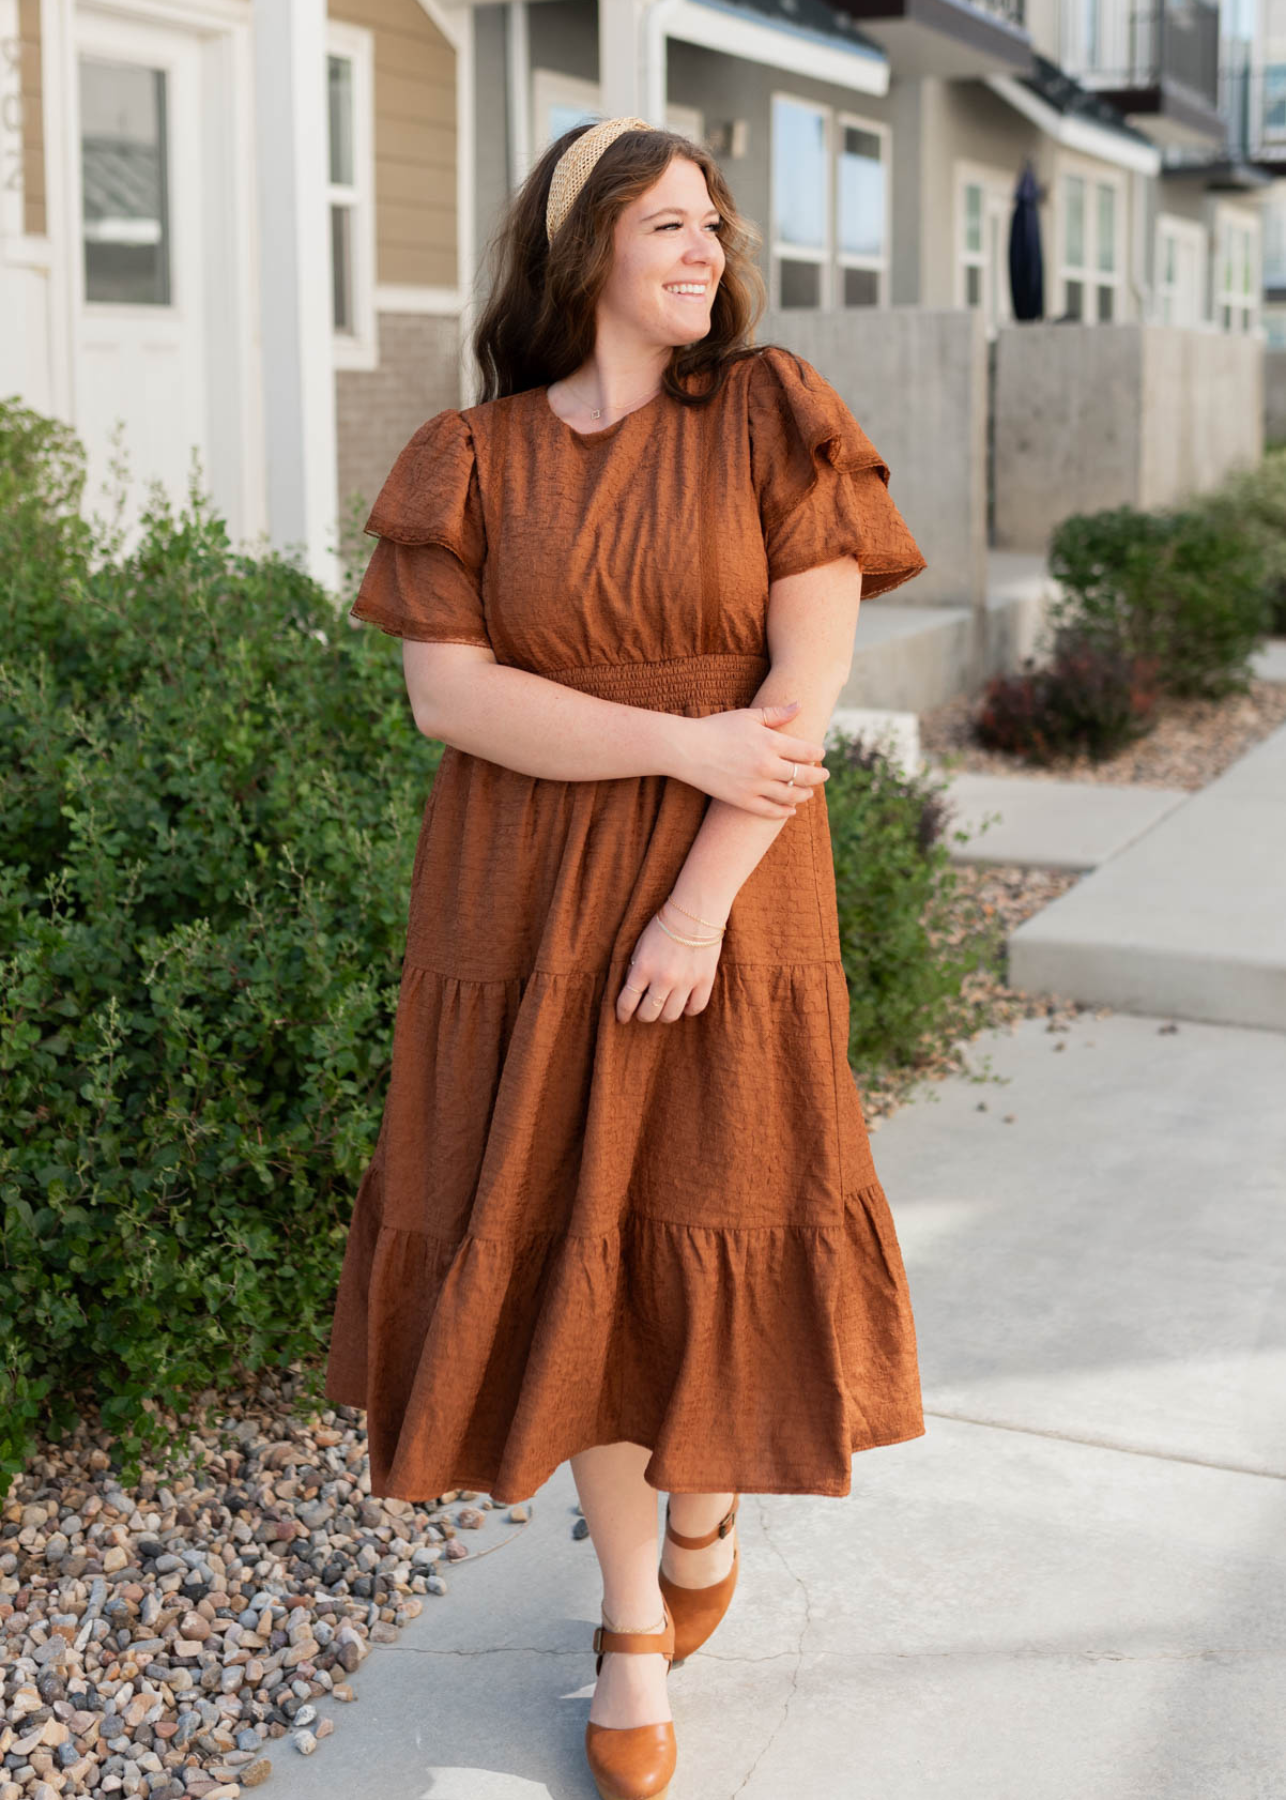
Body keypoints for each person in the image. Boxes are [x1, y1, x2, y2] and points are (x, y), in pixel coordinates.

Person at [324, 114, 928, 1800]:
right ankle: (626, 1625)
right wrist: (673, 749)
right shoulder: (477, 452)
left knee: (706, 1195)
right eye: (667, 223)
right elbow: (451, 698)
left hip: (730, 890)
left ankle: (709, 1494)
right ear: (582, 242)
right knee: (569, 1220)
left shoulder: (767, 416)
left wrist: (694, 898)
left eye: (713, 228)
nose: (704, 252)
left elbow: (794, 703)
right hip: (521, 896)